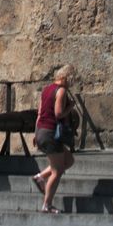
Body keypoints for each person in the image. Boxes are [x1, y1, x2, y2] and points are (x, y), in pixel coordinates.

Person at [32, 64, 77, 214]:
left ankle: (40, 177)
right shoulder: (61, 90)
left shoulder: (46, 89)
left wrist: (35, 132)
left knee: (68, 160)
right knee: (57, 172)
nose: (72, 83)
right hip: (51, 133)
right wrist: (70, 107)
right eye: (72, 80)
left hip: (42, 131)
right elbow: (58, 114)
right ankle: (47, 205)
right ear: (67, 78)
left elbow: (40, 113)